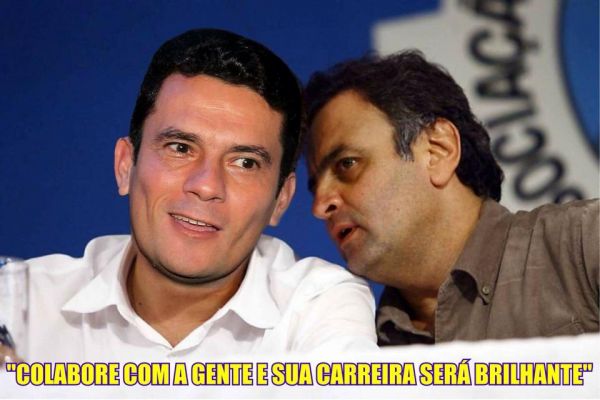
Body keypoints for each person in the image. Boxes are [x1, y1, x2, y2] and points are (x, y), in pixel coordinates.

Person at [0, 29, 377, 364]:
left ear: (281, 199)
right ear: (125, 165)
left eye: (244, 163)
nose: (207, 185)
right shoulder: (18, 302)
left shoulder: (318, 306)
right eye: (180, 148)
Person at [304, 50, 599, 346]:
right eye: (314, 187)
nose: (320, 205)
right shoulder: (361, 349)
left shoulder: (582, 246)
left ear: (438, 150)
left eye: (347, 164)